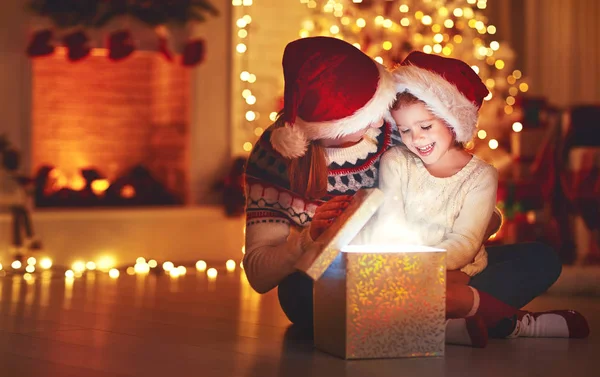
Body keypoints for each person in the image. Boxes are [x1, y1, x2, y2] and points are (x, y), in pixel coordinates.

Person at [243, 36, 563, 342]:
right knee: (298, 293)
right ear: (320, 130)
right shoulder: (275, 159)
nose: (375, 124)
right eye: (360, 120)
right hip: (345, 282)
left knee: (540, 258)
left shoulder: (399, 125)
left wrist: (479, 224)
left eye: (375, 108)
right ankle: (464, 318)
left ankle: (415, 322)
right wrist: (307, 241)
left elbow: (464, 201)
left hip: (427, 269)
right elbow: (259, 274)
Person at [369, 51, 588, 345]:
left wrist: (426, 268)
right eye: (405, 130)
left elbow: (465, 243)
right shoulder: (396, 161)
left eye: (425, 126)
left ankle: (440, 318)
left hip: (460, 273)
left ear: (452, 121)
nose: (416, 138)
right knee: (395, 293)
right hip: (403, 273)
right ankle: (511, 322)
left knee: (542, 259)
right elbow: (389, 221)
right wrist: (406, 269)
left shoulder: (481, 175)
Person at [0, 147, 42, 260]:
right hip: (6, 204)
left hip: (15, 205)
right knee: (20, 212)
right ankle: (27, 240)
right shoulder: (4, 176)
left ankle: (20, 246)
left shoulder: (15, 176)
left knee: (20, 213)